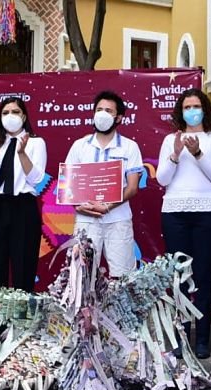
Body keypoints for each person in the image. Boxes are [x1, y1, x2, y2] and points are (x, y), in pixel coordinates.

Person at [155, 88, 211, 359]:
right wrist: (175, 155)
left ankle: (203, 339)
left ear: (204, 109)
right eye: (187, 107)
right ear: (180, 111)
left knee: (205, 275)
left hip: (207, 211)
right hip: (175, 213)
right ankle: (181, 335)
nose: (192, 111)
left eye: (196, 106)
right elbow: (162, 179)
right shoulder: (169, 140)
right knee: (179, 277)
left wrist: (198, 154)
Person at [64, 90, 143, 277]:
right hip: (86, 220)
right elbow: (67, 184)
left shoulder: (130, 147)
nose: (102, 114)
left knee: (122, 276)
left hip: (118, 219)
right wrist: (78, 205)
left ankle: (119, 308)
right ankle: (84, 308)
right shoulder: (79, 146)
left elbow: (132, 187)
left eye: (108, 110)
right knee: (82, 275)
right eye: (99, 109)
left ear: (119, 118)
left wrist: (107, 206)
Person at [0, 97, 46, 291]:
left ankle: (21, 318)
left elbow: (37, 180)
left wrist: (22, 154)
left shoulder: (36, 143)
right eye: (5, 112)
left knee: (23, 265)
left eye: (15, 112)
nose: (10, 116)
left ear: (24, 115)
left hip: (23, 206)